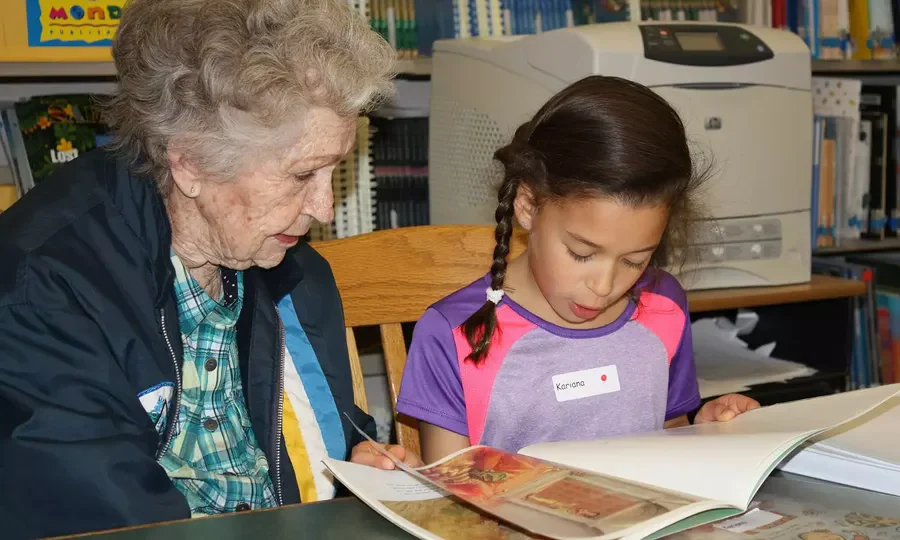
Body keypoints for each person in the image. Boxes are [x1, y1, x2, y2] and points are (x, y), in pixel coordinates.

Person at [0, 0, 409, 537]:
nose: (325, 208)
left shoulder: (287, 264)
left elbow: (328, 433)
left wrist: (362, 465)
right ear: (189, 161)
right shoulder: (44, 288)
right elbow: (103, 517)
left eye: (336, 169)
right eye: (303, 174)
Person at [395, 76, 761, 464]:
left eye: (635, 261)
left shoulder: (663, 306)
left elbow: (667, 438)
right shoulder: (455, 333)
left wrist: (704, 433)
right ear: (528, 206)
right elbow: (452, 495)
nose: (603, 287)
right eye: (582, 254)